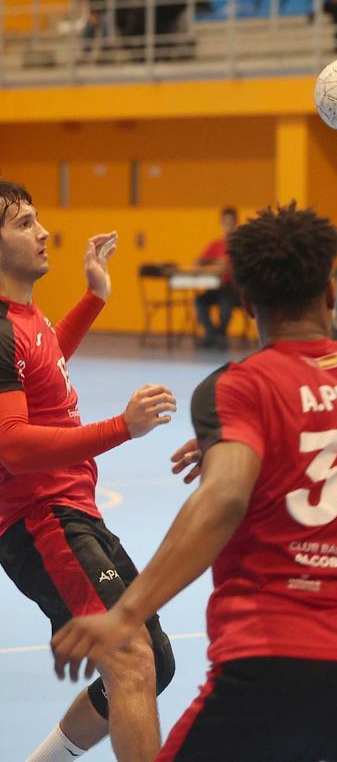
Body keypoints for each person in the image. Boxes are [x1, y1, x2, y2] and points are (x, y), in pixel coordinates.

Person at [51, 204, 337, 762]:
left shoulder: (239, 388)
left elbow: (224, 498)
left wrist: (126, 614)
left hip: (268, 666)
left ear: (245, 304)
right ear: (332, 293)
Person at [0, 181, 178, 762]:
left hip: (74, 510)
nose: (43, 231)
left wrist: (94, 298)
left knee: (154, 658)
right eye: (24, 223)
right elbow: (15, 446)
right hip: (41, 521)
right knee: (130, 656)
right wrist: (120, 427)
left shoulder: (25, 320)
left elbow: (47, 360)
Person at [193, 206, 240, 349]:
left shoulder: (238, 244)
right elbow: (199, 262)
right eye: (224, 222)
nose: (227, 225)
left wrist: (219, 264)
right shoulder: (215, 244)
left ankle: (220, 334)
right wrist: (215, 262)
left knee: (225, 302)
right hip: (214, 288)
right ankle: (212, 334)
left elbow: (228, 266)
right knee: (200, 301)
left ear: (235, 223)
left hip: (232, 289)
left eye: (230, 222)